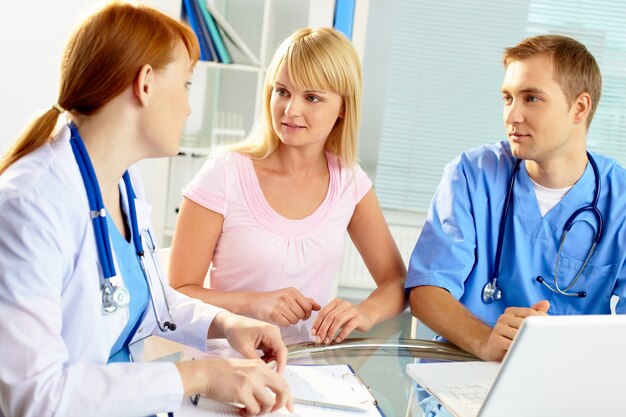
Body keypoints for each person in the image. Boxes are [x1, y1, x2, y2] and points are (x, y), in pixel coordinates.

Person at [0, 4, 293, 416]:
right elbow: (35, 397)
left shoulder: (123, 182)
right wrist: (200, 376)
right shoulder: (30, 206)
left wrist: (226, 323)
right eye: (187, 84)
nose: (189, 108)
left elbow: (144, 296)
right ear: (146, 84)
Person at [169, 27, 407, 345]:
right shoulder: (225, 171)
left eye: (312, 97)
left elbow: (396, 282)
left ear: (344, 108)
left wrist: (364, 313)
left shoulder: (349, 182)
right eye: (282, 91)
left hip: (307, 371)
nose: (290, 110)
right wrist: (254, 303)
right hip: (224, 368)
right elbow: (175, 297)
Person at [406, 34, 626, 362]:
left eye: (531, 98)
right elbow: (427, 289)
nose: (512, 115)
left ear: (579, 108)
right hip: (465, 374)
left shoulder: (618, 200)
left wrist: (558, 342)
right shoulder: (471, 174)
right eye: (507, 98)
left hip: (567, 376)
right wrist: (486, 341)